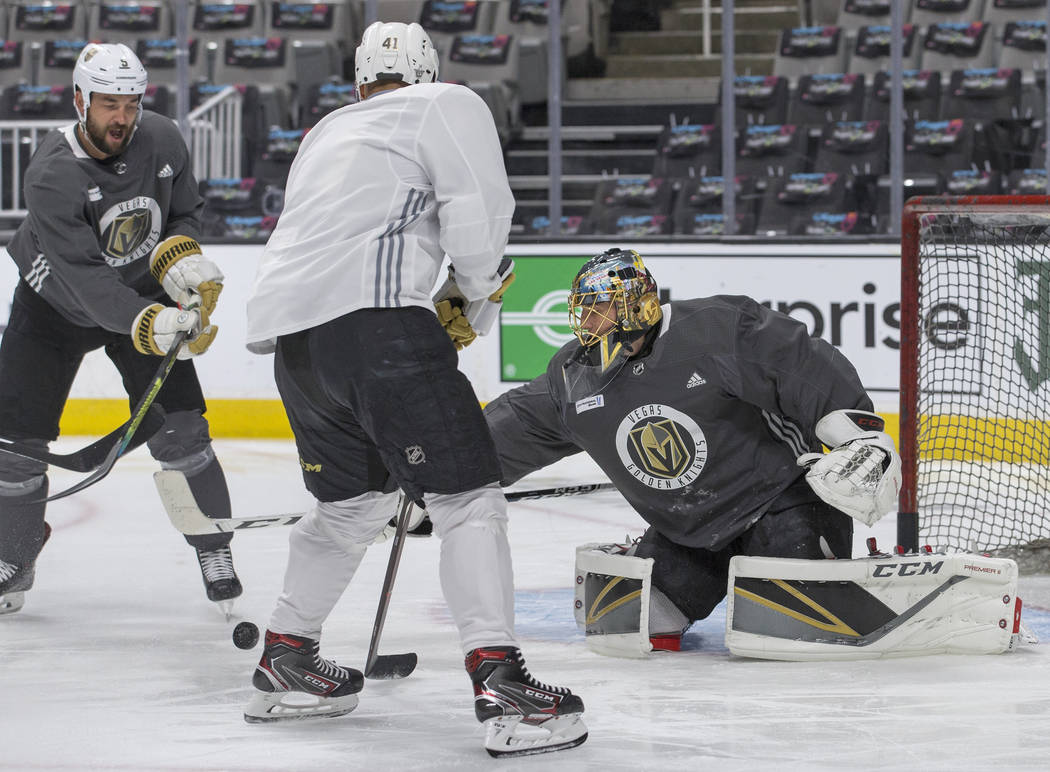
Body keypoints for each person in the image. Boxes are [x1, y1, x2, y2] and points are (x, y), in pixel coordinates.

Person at [240, 20, 586, 758]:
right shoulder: (446, 104)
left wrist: (435, 306)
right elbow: (479, 211)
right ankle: (501, 682)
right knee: (469, 499)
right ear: (427, 71)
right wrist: (474, 294)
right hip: (380, 331)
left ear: (361, 81)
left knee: (352, 506)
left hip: (298, 349)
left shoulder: (326, 132)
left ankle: (287, 657)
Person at [484, 247, 902, 649]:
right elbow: (518, 424)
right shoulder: (574, 377)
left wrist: (859, 434)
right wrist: (448, 474)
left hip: (782, 505)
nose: (590, 321)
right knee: (630, 623)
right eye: (585, 309)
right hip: (687, 533)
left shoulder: (715, 329)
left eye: (601, 306)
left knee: (792, 626)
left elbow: (799, 363)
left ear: (639, 305)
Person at [0, 43, 242, 617]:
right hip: (53, 304)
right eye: (109, 104)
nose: (123, 118)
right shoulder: (51, 173)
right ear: (80, 99)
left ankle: (215, 548)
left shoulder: (163, 138)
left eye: (131, 104)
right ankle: (14, 556)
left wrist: (179, 259)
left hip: (139, 294)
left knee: (184, 430)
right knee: (14, 445)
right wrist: (148, 322)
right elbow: (83, 277)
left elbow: (184, 211)